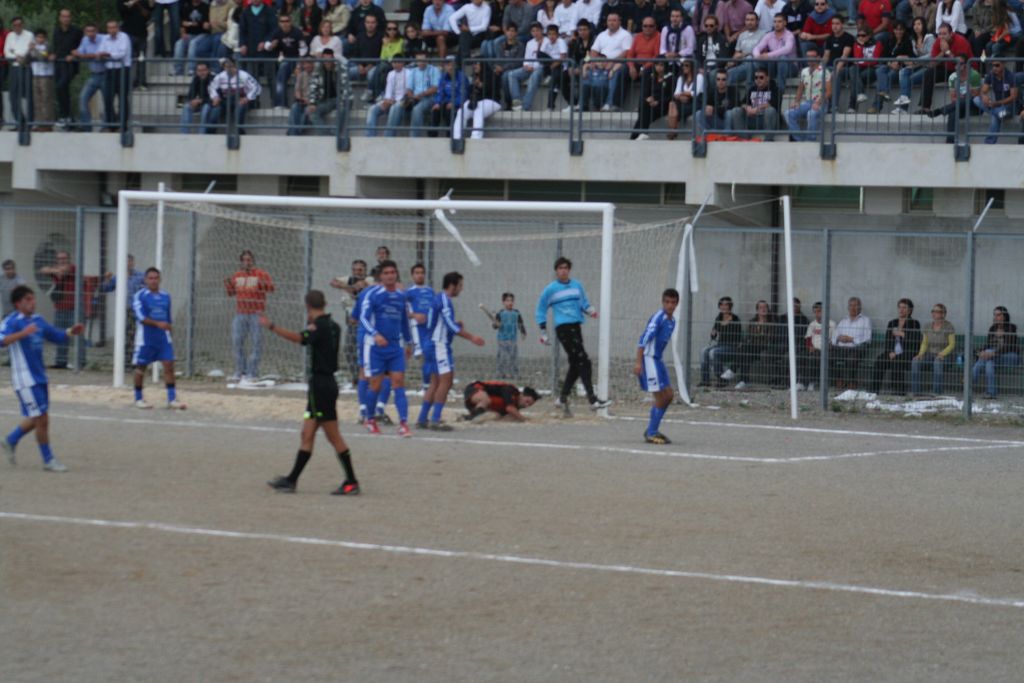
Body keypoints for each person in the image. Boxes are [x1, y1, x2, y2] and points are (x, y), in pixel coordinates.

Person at [263, 289, 359, 496]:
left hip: (320, 386)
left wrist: (272, 326)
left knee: (334, 437)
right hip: (325, 385)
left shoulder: (318, 327)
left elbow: (299, 338)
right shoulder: (334, 326)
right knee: (307, 433)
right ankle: (291, 480)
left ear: (307, 306)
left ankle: (352, 481)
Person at [0, 285, 85, 472]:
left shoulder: (38, 320)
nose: (33, 302)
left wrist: (71, 331)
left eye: (33, 298)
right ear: (18, 303)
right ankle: (48, 460)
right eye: (28, 299)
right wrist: (23, 333)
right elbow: (1, 340)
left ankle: (10, 440)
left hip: (39, 377)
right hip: (25, 380)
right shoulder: (12, 321)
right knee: (42, 418)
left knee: (39, 416)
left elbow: (56, 335)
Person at [535, 257, 612, 413]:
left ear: (569, 270)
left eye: (565, 268)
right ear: (556, 271)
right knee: (584, 361)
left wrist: (590, 310)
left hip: (576, 326)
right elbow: (540, 309)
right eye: (560, 268)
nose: (563, 271)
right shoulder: (550, 289)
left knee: (576, 364)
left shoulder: (577, 285)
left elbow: (583, 303)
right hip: (563, 328)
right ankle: (592, 400)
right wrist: (543, 332)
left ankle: (562, 398)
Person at [419, 271, 485, 430]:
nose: (461, 289)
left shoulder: (438, 298)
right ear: (452, 285)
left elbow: (440, 322)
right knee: (446, 381)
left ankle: (422, 418)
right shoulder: (444, 300)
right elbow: (449, 325)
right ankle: (435, 419)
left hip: (431, 343)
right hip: (438, 345)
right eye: (460, 285)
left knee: (435, 382)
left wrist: (455, 324)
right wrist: (471, 337)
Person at [359, 260, 415, 437]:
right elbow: (363, 318)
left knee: (398, 382)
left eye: (393, 272)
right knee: (375, 385)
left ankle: (404, 424)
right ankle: (370, 419)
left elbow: (405, 322)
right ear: (381, 277)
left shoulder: (401, 296)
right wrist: (375, 334)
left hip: (395, 347)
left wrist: (410, 342)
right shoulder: (373, 294)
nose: (390, 275)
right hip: (375, 347)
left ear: (396, 274)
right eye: (386, 273)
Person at [131, 268, 186, 410]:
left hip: (163, 338)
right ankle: (138, 398)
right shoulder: (140, 296)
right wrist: (158, 324)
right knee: (141, 367)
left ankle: (172, 399)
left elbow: (167, 318)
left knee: (169, 365)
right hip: (146, 338)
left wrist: (168, 328)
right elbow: (141, 317)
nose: (153, 281)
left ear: (160, 280)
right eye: (150, 278)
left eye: (156, 278)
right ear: (145, 280)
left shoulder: (166, 296)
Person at [635, 288, 679, 445]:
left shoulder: (672, 321)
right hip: (649, 359)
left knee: (669, 395)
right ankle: (652, 432)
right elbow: (643, 339)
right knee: (661, 396)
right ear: (662, 302)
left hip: (658, 360)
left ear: (677, 304)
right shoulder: (658, 318)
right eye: (667, 302)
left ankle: (652, 429)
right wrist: (638, 362)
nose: (670, 305)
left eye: (673, 302)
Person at [224, 250, 275, 382]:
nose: (247, 262)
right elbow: (231, 293)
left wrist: (261, 283)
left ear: (253, 261)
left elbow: (271, 289)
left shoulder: (261, 274)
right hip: (240, 313)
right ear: (241, 262)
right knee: (237, 341)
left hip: (256, 313)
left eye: (249, 260)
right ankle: (240, 371)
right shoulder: (237, 275)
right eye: (244, 260)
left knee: (256, 342)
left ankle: (252, 372)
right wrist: (228, 284)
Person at [869, 297, 921, 395]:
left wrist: (902, 334)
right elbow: (887, 340)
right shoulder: (892, 322)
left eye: (904, 307)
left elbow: (915, 340)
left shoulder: (914, 323)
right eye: (900, 307)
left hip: (907, 353)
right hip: (892, 352)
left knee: (897, 361)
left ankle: (899, 391)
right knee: (880, 360)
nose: (901, 310)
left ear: (910, 310)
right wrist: (890, 351)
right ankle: (874, 391)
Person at [38, 250, 78, 369]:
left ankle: (80, 362)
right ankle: (61, 362)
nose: (62, 261)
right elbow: (42, 270)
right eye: (59, 259)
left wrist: (56, 270)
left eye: (64, 258)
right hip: (60, 307)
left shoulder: (73, 268)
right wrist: (55, 270)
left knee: (77, 335)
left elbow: (65, 270)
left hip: (73, 308)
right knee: (61, 334)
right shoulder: (56, 270)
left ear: (68, 259)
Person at [971, 306, 1019, 399]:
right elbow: (988, 344)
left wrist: (992, 353)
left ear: (1004, 316)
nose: (996, 317)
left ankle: (970, 383)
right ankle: (991, 393)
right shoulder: (993, 328)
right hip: (993, 357)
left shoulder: (1011, 327)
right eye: (995, 315)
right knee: (989, 362)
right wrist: (981, 351)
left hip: (1010, 356)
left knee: (989, 354)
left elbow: (1009, 346)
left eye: (998, 315)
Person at [786, 46, 831, 141]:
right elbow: (800, 88)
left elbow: (829, 92)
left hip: (822, 103)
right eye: (808, 56)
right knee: (788, 113)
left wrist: (818, 103)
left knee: (811, 114)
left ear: (818, 57)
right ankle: (799, 140)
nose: (809, 59)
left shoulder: (824, 71)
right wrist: (796, 101)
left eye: (812, 56)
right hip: (807, 102)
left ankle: (810, 141)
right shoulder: (804, 71)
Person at [910, 302, 955, 395]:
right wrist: (920, 354)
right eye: (933, 311)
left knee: (937, 362)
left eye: (937, 311)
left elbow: (952, 344)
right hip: (930, 354)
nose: (934, 313)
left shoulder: (949, 326)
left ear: (943, 314)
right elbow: (925, 343)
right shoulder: (927, 326)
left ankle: (936, 393)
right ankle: (916, 392)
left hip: (945, 356)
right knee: (915, 361)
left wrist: (942, 354)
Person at [735, 299, 781, 388]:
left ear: (768, 309)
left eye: (765, 307)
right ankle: (744, 380)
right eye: (760, 307)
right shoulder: (752, 321)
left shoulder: (772, 322)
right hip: (753, 349)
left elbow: (770, 338)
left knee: (745, 349)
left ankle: (735, 372)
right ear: (757, 310)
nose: (763, 309)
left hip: (766, 348)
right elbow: (748, 336)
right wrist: (757, 337)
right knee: (745, 352)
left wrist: (757, 336)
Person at [699, 296, 743, 387]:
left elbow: (736, 336)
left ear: (730, 306)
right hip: (720, 345)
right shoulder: (719, 317)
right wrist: (713, 333)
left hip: (732, 346)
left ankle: (722, 379)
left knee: (713, 352)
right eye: (722, 305)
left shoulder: (735, 319)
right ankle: (705, 380)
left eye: (726, 305)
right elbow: (714, 334)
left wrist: (724, 325)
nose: (724, 307)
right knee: (703, 351)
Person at [404, 263, 435, 393]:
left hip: (430, 328)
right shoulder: (409, 292)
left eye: (422, 273)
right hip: (417, 328)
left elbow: (435, 308)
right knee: (422, 356)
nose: (420, 275)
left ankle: (428, 385)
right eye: (417, 273)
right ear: (412, 275)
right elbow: (402, 311)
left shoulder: (430, 291)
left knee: (430, 356)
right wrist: (415, 315)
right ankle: (425, 385)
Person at [207, 57, 262, 130]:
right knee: (215, 111)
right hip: (225, 101)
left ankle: (239, 131)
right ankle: (211, 133)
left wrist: (247, 98)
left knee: (240, 109)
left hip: (241, 100)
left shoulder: (244, 75)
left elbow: (257, 87)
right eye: (227, 67)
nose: (229, 69)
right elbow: (211, 87)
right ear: (224, 68)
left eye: (231, 66)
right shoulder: (220, 76)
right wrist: (215, 97)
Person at [98, 19, 132, 132]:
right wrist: (106, 55)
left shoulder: (124, 37)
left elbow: (121, 54)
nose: (111, 30)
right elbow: (100, 52)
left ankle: (123, 124)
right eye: (109, 28)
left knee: (122, 98)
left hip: (122, 70)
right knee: (108, 98)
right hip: (109, 69)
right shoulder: (105, 38)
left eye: (113, 27)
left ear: (118, 28)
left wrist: (108, 54)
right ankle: (111, 124)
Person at [830, 296, 872, 389]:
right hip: (841, 349)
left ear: (860, 307)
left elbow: (868, 338)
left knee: (851, 359)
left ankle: (851, 382)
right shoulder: (843, 320)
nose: (853, 308)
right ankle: (839, 379)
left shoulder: (865, 320)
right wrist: (839, 338)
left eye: (855, 305)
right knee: (829, 356)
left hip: (856, 349)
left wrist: (852, 339)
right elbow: (834, 336)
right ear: (848, 307)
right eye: (851, 305)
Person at [72, 23, 107, 132]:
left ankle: (106, 126)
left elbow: (98, 55)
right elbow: (79, 53)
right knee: (83, 98)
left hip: (106, 74)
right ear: (85, 32)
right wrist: (75, 53)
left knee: (107, 101)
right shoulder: (85, 40)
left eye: (92, 31)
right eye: (88, 31)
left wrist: (83, 56)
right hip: (94, 74)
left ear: (96, 31)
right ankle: (86, 126)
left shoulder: (104, 39)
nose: (90, 33)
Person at [972, 60, 1017, 145]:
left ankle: (989, 143)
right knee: (976, 99)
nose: (994, 68)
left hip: (1009, 106)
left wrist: (997, 103)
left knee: (994, 117)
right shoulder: (991, 75)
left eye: (997, 65)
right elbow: (983, 91)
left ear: (1003, 64)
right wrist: (984, 96)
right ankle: (1000, 113)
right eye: (992, 65)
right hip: (996, 106)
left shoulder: (1010, 76)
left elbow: (1013, 97)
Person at [52, 8, 83, 130]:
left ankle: (66, 116)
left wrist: (74, 55)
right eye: (63, 16)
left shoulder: (76, 31)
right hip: (59, 64)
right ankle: (66, 117)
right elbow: (56, 47)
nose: (66, 19)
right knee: (61, 89)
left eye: (68, 16)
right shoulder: (56, 31)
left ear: (71, 18)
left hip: (71, 65)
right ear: (60, 18)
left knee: (61, 86)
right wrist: (53, 54)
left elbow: (82, 47)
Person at [799, 301, 834, 390]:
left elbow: (833, 340)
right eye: (815, 312)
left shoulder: (831, 324)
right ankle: (800, 383)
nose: (817, 314)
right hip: (813, 350)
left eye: (819, 311)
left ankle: (811, 382)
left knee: (813, 358)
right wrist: (810, 347)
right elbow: (808, 339)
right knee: (800, 356)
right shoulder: (812, 324)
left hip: (825, 351)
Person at [462, 380, 540, 421]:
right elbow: (510, 408)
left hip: (478, 406)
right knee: (485, 400)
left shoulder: (515, 407)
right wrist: (525, 420)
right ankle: (471, 419)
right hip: (474, 390)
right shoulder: (511, 390)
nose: (526, 405)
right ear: (522, 395)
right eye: (527, 401)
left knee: (496, 416)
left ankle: (468, 418)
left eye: (529, 405)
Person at [493, 292, 527, 378]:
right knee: (502, 357)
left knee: (513, 357)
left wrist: (523, 332)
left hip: (512, 339)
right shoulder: (500, 313)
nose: (510, 302)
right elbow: (495, 326)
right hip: (502, 339)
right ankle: (500, 373)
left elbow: (520, 323)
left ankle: (514, 373)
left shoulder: (516, 313)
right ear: (503, 302)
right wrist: (496, 324)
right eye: (507, 301)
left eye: (511, 300)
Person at [29, 30, 56, 132]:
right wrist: (27, 51)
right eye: (38, 37)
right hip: (36, 75)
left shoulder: (48, 46)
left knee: (46, 99)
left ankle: (48, 123)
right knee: (37, 100)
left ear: (45, 38)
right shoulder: (33, 47)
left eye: (42, 37)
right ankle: (39, 123)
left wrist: (34, 49)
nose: (40, 39)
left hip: (46, 75)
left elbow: (43, 57)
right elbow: (26, 60)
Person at [180, 61, 214, 133]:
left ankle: (201, 134)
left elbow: (214, 98)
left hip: (211, 104)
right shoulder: (196, 79)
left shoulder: (213, 79)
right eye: (199, 71)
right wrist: (192, 101)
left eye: (204, 70)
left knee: (205, 109)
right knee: (187, 106)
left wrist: (200, 100)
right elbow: (190, 95)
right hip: (201, 103)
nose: (201, 73)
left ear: (208, 70)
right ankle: (184, 134)